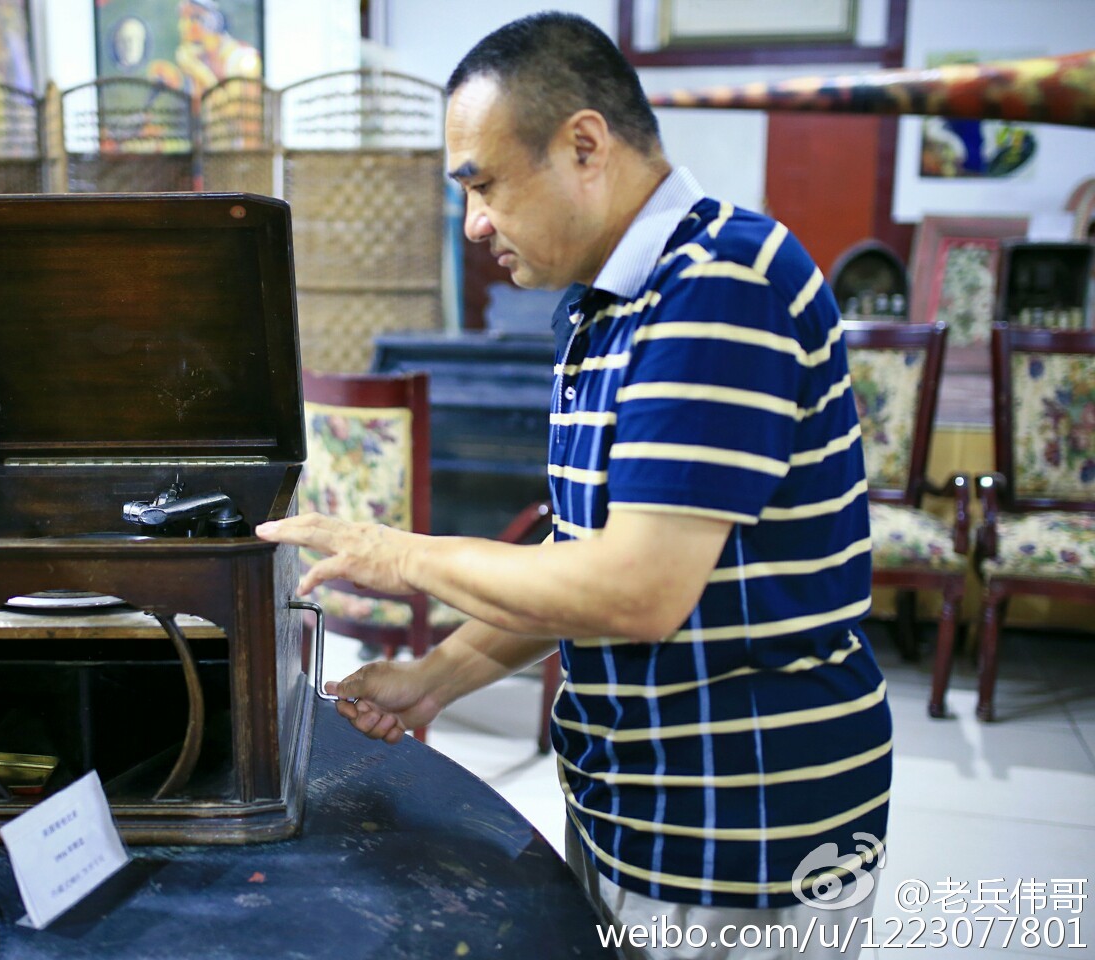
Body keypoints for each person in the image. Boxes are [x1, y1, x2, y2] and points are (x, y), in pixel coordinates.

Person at [256, 12, 890, 959]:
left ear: (584, 145)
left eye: (484, 186)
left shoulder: (718, 284)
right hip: (629, 809)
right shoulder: (600, 310)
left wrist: (401, 555)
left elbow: (634, 590)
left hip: (742, 830)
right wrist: (437, 678)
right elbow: (576, 566)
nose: (473, 223)